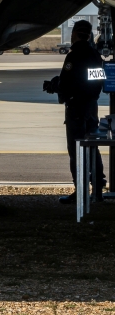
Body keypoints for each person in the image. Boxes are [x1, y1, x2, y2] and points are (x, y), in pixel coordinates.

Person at [45, 19, 107, 203]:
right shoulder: (95, 56)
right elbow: (97, 82)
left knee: (76, 150)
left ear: (75, 34)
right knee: (92, 148)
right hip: (91, 108)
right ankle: (97, 189)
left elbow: (68, 83)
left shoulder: (74, 56)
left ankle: (80, 191)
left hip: (76, 109)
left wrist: (54, 86)